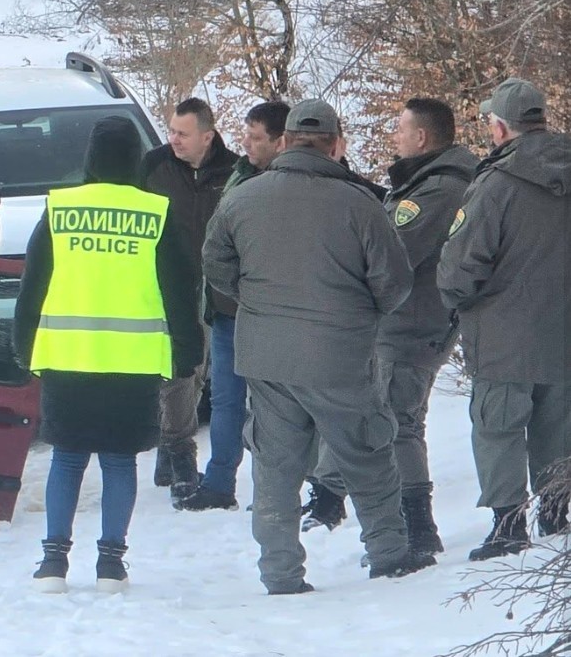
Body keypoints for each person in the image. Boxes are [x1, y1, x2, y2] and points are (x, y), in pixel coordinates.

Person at [203, 99, 432, 594]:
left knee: (275, 464)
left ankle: (281, 573)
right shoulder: (361, 205)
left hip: (266, 354)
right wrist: (358, 315)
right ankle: (390, 557)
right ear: (334, 144)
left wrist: (259, 304)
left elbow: (216, 267)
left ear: (284, 141)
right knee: (367, 454)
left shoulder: (241, 200)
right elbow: (394, 282)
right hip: (340, 355)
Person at [13, 116, 204, 593]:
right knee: (120, 462)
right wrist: (188, 350)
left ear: (91, 158)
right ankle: (111, 566)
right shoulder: (155, 212)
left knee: (67, 458)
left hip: (68, 355)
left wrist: (22, 343)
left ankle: (53, 564)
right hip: (133, 360)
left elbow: (32, 284)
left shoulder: (62, 208)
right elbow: (181, 288)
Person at [304, 98, 476, 551]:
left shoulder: (440, 190)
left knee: (400, 424)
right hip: (405, 321)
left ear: (421, 138)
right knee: (382, 415)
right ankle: (333, 496)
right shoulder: (425, 183)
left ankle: (419, 528)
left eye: (400, 128)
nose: (394, 136)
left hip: (414, 325)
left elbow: (393, 252)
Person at [439, 77, 571, 560]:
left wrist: (454, 297)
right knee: (558, 423)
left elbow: (460, 265)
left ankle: (509, 524)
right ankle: (557, 514)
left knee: (498, 427)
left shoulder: (494, 186)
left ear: (499, 127)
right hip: (564, 328)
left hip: (503, 330)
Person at [177, 99, 289, 511]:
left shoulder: (293, 183)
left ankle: (286, 485)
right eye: (246, 133)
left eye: (255, 137)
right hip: (227, 312)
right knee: (225, 399)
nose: (246, 143)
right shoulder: (239, 175)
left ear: (281, 142)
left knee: (278, 403)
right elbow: (219, 242)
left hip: (275, 314)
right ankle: (220, 481)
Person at [138, 96, 239, 496]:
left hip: (217, 286)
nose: (174, 140)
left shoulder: (233, 172)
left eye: (183, 133)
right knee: (181, 369)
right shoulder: (155, 166)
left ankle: (170, 446)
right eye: (171, 132)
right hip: (168, 284)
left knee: (201, 370)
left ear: (207, 136)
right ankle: (180, 451)